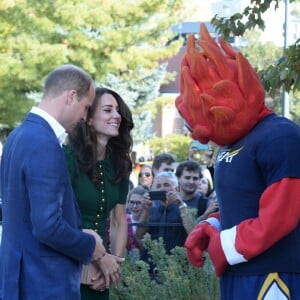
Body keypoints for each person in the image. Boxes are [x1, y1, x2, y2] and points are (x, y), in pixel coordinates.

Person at [176, 23, 300, 300]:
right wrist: (212, 227)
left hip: (274, 274)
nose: (201, 133)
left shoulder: (280, 136)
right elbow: (245, 204)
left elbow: (281, 216)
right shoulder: (233, 142)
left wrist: (223, 245)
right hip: (239, 271)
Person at [0, 64, 117, 300]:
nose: (84, 117)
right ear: (71, 96)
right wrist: (89, 245)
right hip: (44, 283)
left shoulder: (17, 136)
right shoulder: (44, 142)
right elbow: (47, 227)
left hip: (18, 280)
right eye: (85, 107)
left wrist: (76, 230)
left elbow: (25, 215)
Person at [64, 87, 133, 300]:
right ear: (89, 119)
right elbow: (56, 217)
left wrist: (112, 265)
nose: (117, 115)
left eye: (118, 110)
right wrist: (100, 258)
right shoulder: (67, 158)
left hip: (102, 272)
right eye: (108, 109)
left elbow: (119, 220)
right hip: (67, 263)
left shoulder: (120, 162)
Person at [135, 171, 189, 255]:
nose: (162, 188)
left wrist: (181, 205)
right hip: (154, 262)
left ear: (177, 189)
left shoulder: (185, 209)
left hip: (177, 262)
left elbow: (193, 233)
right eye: (158, 186)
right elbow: (139, 237)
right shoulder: (151, 210)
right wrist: (146, 209)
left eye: (166, 185)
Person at [176, 160, 218, 228]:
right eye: (187, 178)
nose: (191, 182)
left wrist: (206, 214)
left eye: (195, 178)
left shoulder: (207, 204)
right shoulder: (171, 201)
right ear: (178, 178)